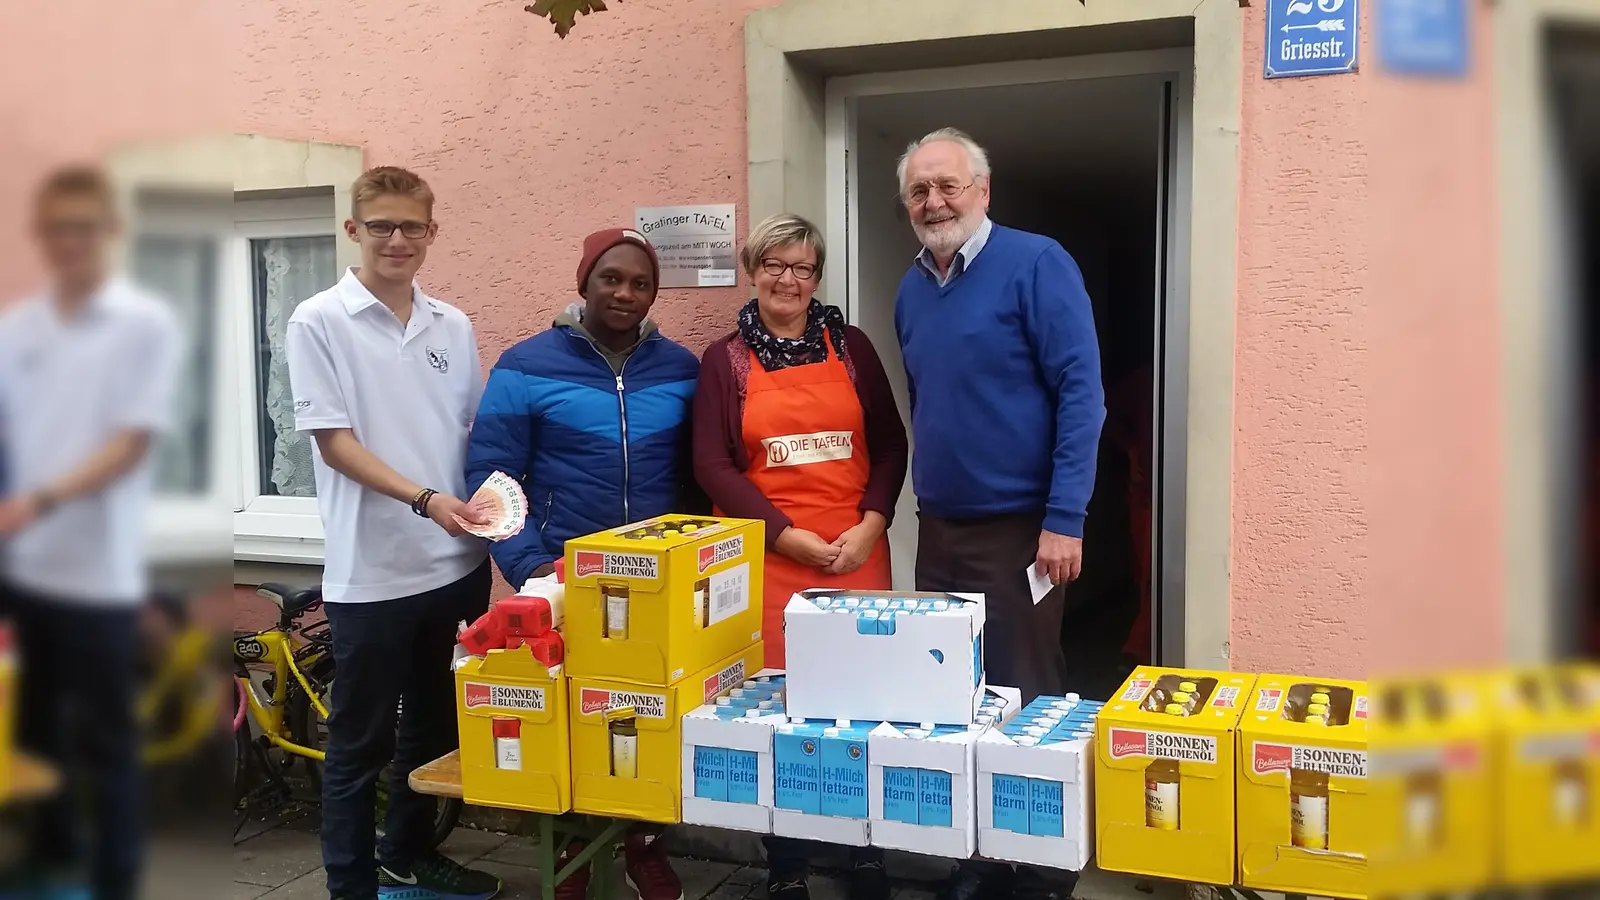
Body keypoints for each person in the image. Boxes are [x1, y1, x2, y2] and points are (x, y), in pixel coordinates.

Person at [894, 128, 1105, 900]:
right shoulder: (912, 286)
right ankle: (977, 854)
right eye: (920, 190)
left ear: (983, 189)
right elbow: (929, 401)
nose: (934, 201)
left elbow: (1082, 394)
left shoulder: (1038, 263)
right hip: (940, 527)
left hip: (1023, 529)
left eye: (948, 185)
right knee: (951, 699)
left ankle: (1044, 867)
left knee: (1028, 695)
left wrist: (1066, 517)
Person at [284, 166, 501, 900]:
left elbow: (471, 433)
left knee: (437, 730)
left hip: (459, 563)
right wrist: (426, 498)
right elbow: (334, 444)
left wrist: (497, 502)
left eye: (412, 225)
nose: (397, 239)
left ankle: (407, 854)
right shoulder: (318, 320)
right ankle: (350, 886)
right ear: (354, 231)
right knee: (359, 745)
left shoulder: (454, 323)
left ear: (433, 233)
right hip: (372, 575)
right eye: (381, 225)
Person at [463, 227, 699, 900]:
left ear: (655, 293)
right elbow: (491, 477)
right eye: (611, 279)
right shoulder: (525, 364)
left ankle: (644, 843)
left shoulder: (682, 368)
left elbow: (698, 474)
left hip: (655, 581)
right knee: (573, 718)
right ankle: (568, 845)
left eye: (640, 283)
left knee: (648, 716)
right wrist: (532, 564)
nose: (625, 293)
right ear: (584, 282)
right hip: (564, 576)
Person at [692, 213, 907, 900]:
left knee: (863, 703)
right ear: (754, 269)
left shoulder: (853, 348)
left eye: (803, 268)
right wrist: (785, 536)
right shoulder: (723, 360)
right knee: (782, 712)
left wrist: (873, 525)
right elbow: (712, 467)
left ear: (818, 278)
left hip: (855, 556)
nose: (789, 279)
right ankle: (787, 857)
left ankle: (865, 850)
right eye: (775, 265)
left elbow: (891, 443)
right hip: (772, 561)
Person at [0, 165, 181, 900]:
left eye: (84, 226)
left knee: (110, 749)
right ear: (41, 235)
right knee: (33, 737)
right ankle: (45, 865)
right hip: (23, 569)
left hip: (103, 576)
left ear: (108, 232)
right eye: (57, 228)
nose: (69, 240)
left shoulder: (143, 323)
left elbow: (130, 442)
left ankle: (114, 884)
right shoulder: (18, 329)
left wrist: (38, 498)